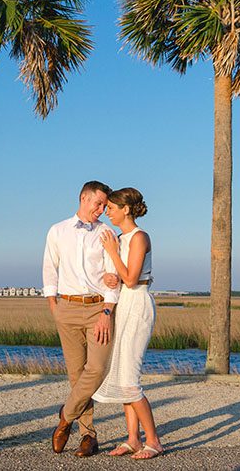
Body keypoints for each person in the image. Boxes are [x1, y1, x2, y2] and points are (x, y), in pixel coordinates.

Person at [42, 180, 120, 457]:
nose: (101, 209)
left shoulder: (106, 232)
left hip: (99, 308)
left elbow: (113, 277)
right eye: (98, 203)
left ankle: (65, 417)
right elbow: (50, 268)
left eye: (104, 205)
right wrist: (54, 306)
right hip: (67, 308)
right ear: (83, 198)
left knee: (97, 369)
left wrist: (108, 312)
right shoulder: (57, 230)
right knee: (76, 374)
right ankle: (89, 436)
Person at [93, 187, 162, 459]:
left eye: (111, 207)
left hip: (138, 304)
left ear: (126, 209)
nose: (107, 211)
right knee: (121, 376)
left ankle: (153, 441)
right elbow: (119, 277)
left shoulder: (138, 237)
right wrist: (110, 279)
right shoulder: (120, 238)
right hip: (123, 303)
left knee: (131, 379)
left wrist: (112, 253)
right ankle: (133, 439)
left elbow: (132, 278)